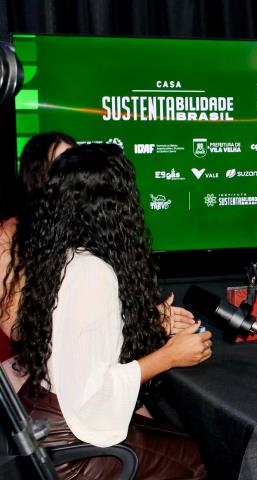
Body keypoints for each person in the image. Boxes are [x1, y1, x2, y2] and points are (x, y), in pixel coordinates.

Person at [2, 143, 211, 477]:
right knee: (198, 458)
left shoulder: (62, 255)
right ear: (112, 205)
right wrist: (170, 356)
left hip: (44, 417)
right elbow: (90, 391)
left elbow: (78, 337)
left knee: (181, 438)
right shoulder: (92, 270)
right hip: (71, 442)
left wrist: (148, 320)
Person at [1, 132, 78, 363]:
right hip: (30, 371)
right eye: (61, 166)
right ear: (38, 177)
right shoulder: (10, 236)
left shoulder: (85, 229)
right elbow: (19, 329)